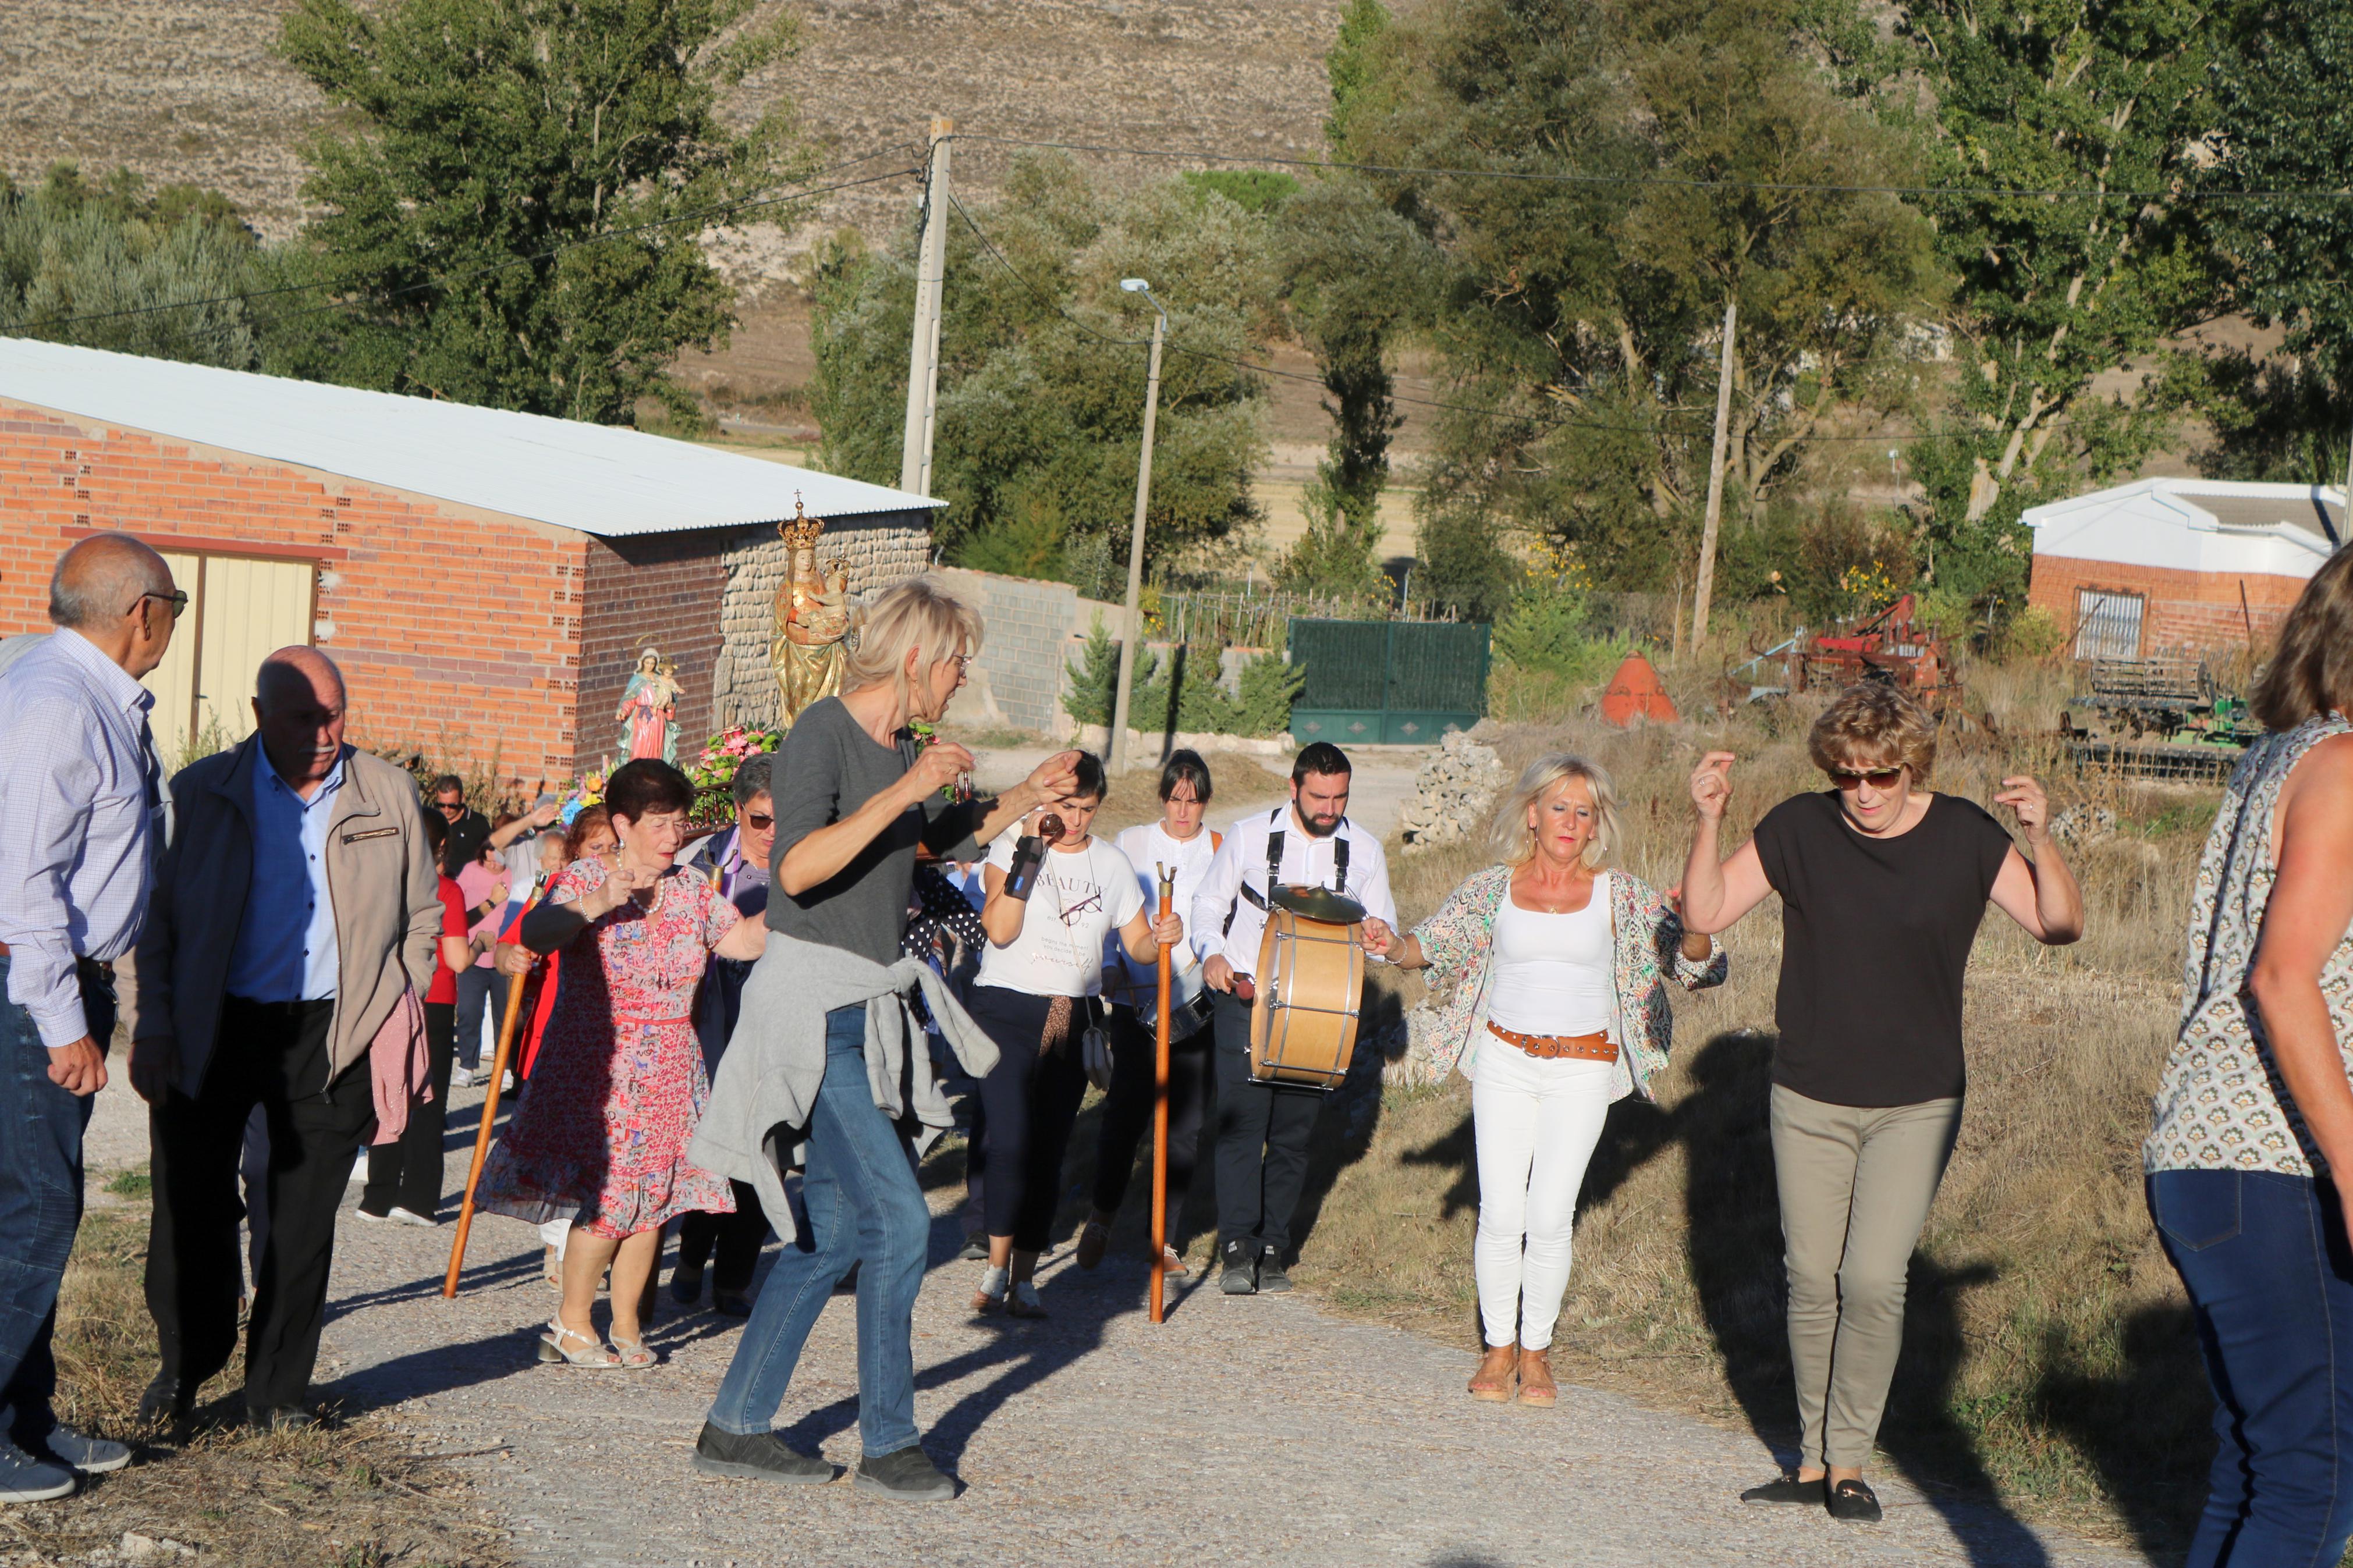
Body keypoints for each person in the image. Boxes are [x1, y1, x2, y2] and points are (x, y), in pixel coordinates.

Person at [686, 577, 1076, 1502]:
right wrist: (908, 783)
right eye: (954, 664)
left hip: (862, 1006)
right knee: (899, 1219)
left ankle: (734, 1425)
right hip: (811, 1009)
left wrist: (1022, 792)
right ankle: (891, 1441)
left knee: (826, 1237)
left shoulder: (900, 744)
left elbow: (924, 844)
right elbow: (798, 863)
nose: (959, 680)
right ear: (914, 660)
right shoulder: (822, 732)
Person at [1678, 681, 2082, 1523]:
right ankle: (1812, 1457)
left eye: (1881, 774)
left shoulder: (1967, 835)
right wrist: (1708, 816)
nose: (1862, 792)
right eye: (1848, 773)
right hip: (1807, 1091)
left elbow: (2057, 925)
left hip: (1916, 1098)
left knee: (1870, 1276)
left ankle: (1850, 1458)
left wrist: (2040, 838)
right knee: (1807, 1275)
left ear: (1912, 767)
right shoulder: (1798, 825)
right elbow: (1706, 910)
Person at [132, 646, 442, 1430]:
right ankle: (184, 1367)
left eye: (335, 713)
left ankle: (278, 1389)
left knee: (303, 1222)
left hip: (331, 1030)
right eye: (305, 716)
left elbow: (420, 915)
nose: (326, 731)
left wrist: (389, 1005)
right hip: (215, 1024)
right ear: (259, 713)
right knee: (191, 1205)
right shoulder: (202, 792)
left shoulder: (386, 792)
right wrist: (153, 1023)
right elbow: (154, 921)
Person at [1386, 754, 1724, 1406]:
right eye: (1559, 807)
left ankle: (1535, 1353)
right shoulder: (1491, 888)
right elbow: (1430, 943)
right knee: (1500, 1210)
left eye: (1584, 811)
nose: (1570, 821)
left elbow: (1695, 970)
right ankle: (1497, 1347)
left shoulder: (1621, 895)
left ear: (1596, 824)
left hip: (1582, 1066)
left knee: (1548, 1214)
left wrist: (1693, 933)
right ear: (1532, 814)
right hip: (1503, 1061)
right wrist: (1389, 942)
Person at [2143, 549, 2353, 1565]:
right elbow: (2282, 979)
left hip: (2207, 1154)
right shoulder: (2345, 769)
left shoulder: (2280, 756)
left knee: (2257, 1466)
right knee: (2314, 1481)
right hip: (2272, 1162)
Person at [477, 759, 769, 1370]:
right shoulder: (583, 877)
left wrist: (797, 902)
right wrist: (596, 901)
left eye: (679, 823)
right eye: (659, 824)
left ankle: (629, 1322)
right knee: (611, 1198)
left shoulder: (689, 887)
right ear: (623, 823)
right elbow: (537, 931)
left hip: (672, 1062)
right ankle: (570, 1321)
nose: (672, 835)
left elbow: (739, 941)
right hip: (603, 1063)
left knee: (655, 1201)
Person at [0, 535, 178, 1501]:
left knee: (31, 1208)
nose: (174, 627)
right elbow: (24, 889)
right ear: (141, 610)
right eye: (175, 607)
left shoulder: (77, 693)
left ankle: (26, 1419)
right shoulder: (59, 707)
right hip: (33, 983)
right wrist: (67, 1022)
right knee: (33, 1212)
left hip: (54, 977)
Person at [967, 753, 1183, 1318]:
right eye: (1066, 805)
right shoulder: (1011, 843)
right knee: (1009, 1140)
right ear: (1045, 800)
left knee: (1048, 1148)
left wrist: (1161, 934)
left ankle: (1025, 1277)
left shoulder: (1112, 865)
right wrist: (1031, 851)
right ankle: (994, 1266)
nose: (1077, 818)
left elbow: (1135, 945)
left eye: (1087, 809)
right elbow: (1000, 927)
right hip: (1005, 1005)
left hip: (1076, 1014)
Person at [1193, 741, 1399, 1296]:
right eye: (1319, 796)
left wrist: (1382, 938)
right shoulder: (1248, 836)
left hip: (1321, 1009)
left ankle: (1273, 1247)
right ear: (1294, 787)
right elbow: (1208, 903)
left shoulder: (1366, 851)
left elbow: (1382, 940)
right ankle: (1236, 1245)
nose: (1330, 808)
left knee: (1292, 1136)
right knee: (1242, 1125)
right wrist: (1211, 952)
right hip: (1247, 997)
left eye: (1340, 797)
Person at [1076, 749, 1222, 1276]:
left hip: (1194, 1006)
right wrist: (1112, 964)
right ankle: (1101, 1217)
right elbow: (1109, 907)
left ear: (1205, 801)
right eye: (1176, 798)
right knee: (1124, 1115)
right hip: (1136, 1001)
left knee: (1184, 1125)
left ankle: (1164, 1238)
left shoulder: (1219, 849)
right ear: (1163, 796)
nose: (1184, 810)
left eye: (1195, 799)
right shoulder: (1132, 843)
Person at [672, 754, 779, 1316]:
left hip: (776, 1022)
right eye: (761, 819)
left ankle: (734, 1275)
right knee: (708, 1144)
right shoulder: (703, 860)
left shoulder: (805, 863)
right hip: (713, 1017)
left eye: (783, 819)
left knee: (764, 1148)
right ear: (738, 811)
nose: (771, 833)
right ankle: (693, 1251)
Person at [356, 809, 473, 1225]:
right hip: (433, 997)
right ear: (441, 846)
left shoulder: (381, 882)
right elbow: (458, 959)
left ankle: (378, 1194)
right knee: (427, 1098)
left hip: (385, 997)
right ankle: (419, 1198)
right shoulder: (447, 890)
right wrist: (482, 946)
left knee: (386, 1090)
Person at [449, 831, 511, 1087]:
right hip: (473, 954)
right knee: (468, 1013)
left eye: (498, 860)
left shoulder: (513, 874)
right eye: (489, 861)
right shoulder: (470, 871)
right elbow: (456, 903)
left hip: (503, 957)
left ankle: (506, 1067)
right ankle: (467, 1067)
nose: (494, 865)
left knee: (504, 1016)